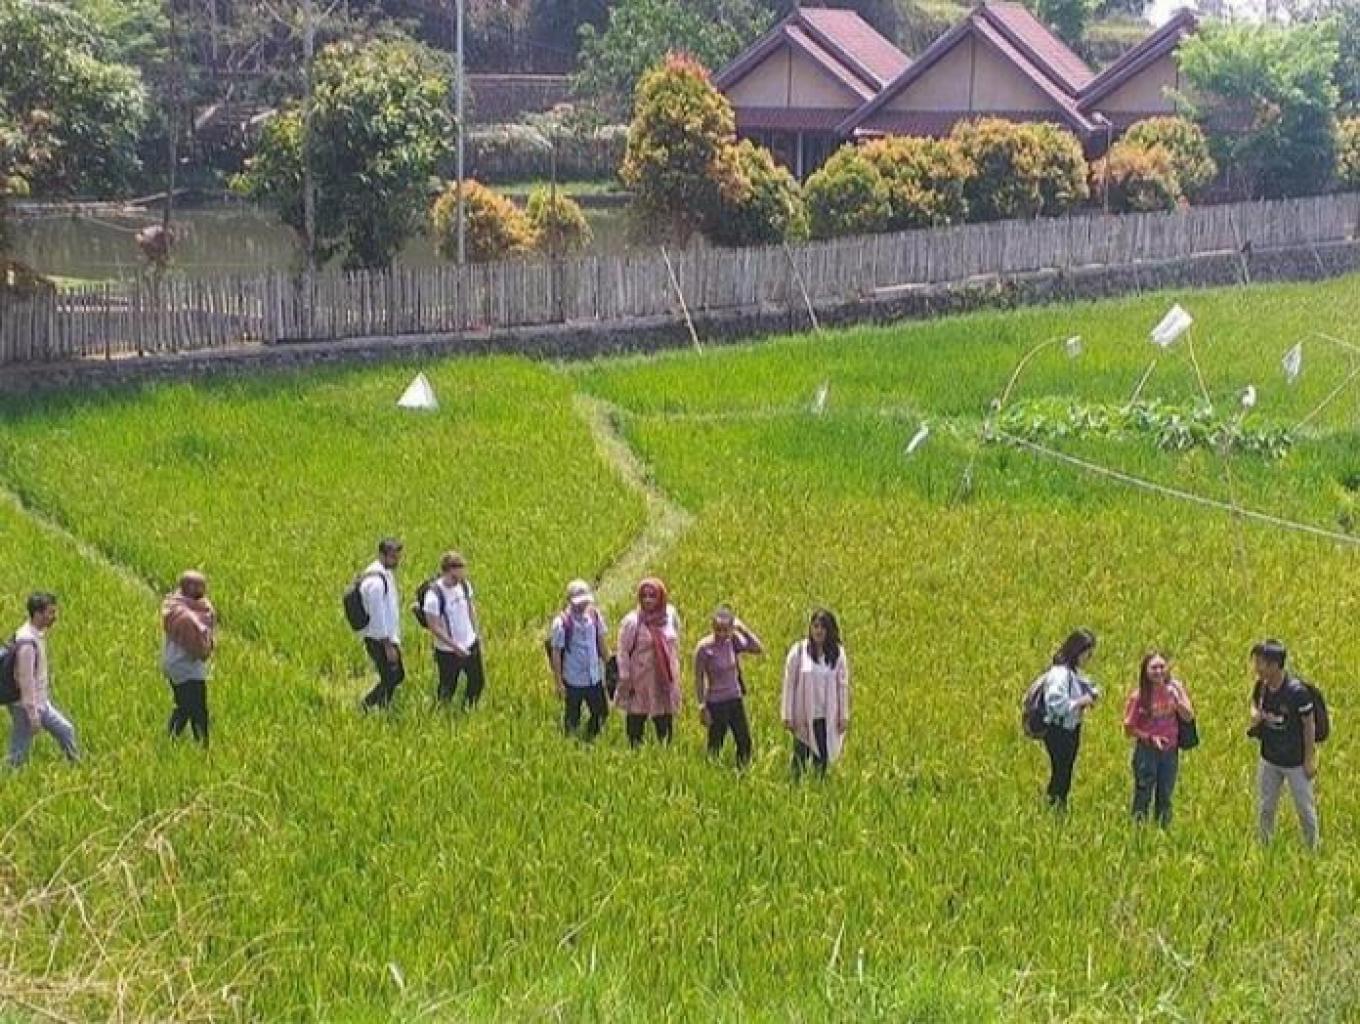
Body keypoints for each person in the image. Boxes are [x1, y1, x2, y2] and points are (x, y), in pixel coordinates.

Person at [1249, 639, 1319, 849]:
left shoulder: (1297, 693)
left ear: (1274, 665)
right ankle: (1265, 845)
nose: (1256, 668)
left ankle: (1312, 848)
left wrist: (1309, 759)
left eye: (1260, 663)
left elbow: (1309, 726)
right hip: (1269, 759)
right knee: (1266, 807)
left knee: (1304, 809)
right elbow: (1253, 703)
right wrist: (1255, 714)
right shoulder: (1262, 686)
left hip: (1295, 762)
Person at [6, 592, 78, 768]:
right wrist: (32, 715)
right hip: (26, 706)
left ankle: (77, 765)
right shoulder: (27, 644)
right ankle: (7, 779)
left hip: (40, 702)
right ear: (38, 614)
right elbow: (26, 681)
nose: (54, 617)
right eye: (50, 612)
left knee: (66, 730)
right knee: (18, 753)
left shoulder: (34, 635)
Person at [1122, 651, 1194, 826]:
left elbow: (1188, 716)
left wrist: (1178, 701)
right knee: (1143, 794)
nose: (1159, 671)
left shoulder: (1175, 688)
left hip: (1170, 750)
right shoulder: (1138, 696)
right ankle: (1138, 830)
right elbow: (1128, 728)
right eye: (1154, 667)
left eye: (1162, 666)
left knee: (1165, 794)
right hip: (1147, 751)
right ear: (1145, 671)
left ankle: (1163, 830)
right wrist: (1150, 738)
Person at [780, 609, 850, 779]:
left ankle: (819, 791)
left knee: (822, 761)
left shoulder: (837, 654)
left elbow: (842, 686)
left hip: (826, 716)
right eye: (816, 626)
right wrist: (787, 714)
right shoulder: (799, 651)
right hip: (803, 715)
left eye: (823, 627)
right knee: (800, 759)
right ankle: (795, 793)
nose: (819, 631)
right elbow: (789, 684)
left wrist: (843, 715)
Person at [694, 606, 764, 768]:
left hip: (735, 699)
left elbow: (757, 648)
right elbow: (699, 678)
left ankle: (742, 771)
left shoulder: (733, 641)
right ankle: (711, 773)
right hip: (716, 702)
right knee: (716, 743)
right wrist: (702, 706)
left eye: (726, 630)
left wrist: (742, 628)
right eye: (718, 629)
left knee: (744, 740)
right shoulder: (704, 648)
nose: (721, 634)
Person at [616, 578, 682, 747]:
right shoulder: (632, 622)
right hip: (640, 678)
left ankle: (664, 752)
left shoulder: (670, 615)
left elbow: (675, 639)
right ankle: (635, 751)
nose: (647, 600)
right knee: (637, 716)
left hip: (663, 677)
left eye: (652, 596)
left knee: (663, 717)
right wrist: (625, 677)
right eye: (644, 596)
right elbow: (622, 651)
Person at [1040, 629, 1099, 810]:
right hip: (1059, 730)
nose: (1088, 658)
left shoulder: (1072, 672)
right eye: (1087, 653)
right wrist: (1082, 701)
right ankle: (1054, 808)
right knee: (1061, 773)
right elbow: (1056, 704)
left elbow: (1087, 684)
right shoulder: (1060, 674)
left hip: (1069, 728)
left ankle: (1058, 808)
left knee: (1064, 773)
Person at [422, 551, 485, 708]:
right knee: (447, 688)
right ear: (448, 571)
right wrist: (455, 647)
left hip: (470, 643)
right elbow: (434, 626)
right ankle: (441, 715)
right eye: (457, 572)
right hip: (448, 651)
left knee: (477, 682)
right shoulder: (433, 596)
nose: (461, 576)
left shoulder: (464, 585)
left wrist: (476, 634)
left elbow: (470, 609)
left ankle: (468, 709)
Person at [162, 570, 217, 746]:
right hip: (185, 667)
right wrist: (206, 647)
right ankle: (202, 744)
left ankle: (172, 739)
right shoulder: (185, 616)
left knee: (185, 705)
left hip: (178, 665)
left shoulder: (178, 607)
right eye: (200, 587)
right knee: (197, 708)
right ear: (190, 588)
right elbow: (198, 646)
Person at [549, 580, 610, 739]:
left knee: (601, 712)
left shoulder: (594, 616)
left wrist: (611, 665)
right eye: (578, 603)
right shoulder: (561, 623)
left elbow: (602, 645)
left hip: (593, 677)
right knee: (572, 717)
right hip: (574, 679)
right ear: (569, 601)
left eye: (585, 602)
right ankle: (571, 742)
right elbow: (556, 653)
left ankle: (591, 736)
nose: (582, 606)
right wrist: (558, 682)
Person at [359, 538, 404, 711]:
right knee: (392, 676)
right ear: (382, 555)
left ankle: (381, 706)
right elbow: (378, 617)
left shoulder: (384, 574)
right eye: (393, 557)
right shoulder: (376, 583)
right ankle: (368, 706)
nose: (396, 561)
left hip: (387, 638)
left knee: (395, 675)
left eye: (398, 557)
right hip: (379, 639)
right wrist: (388, 646)